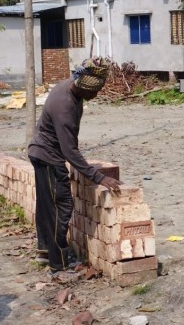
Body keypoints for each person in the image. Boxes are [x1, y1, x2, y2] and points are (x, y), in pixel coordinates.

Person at [28, 57, 122, 276]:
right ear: (83, 88)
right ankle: (58, 264)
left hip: (40, 152)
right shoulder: (66, 106)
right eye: (94, 93)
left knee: (45, 206)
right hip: (49, 157)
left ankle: (44, 250)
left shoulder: (69, 87)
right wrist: (99, 177)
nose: (95, 96)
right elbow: (70, 151)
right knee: (61, 208)